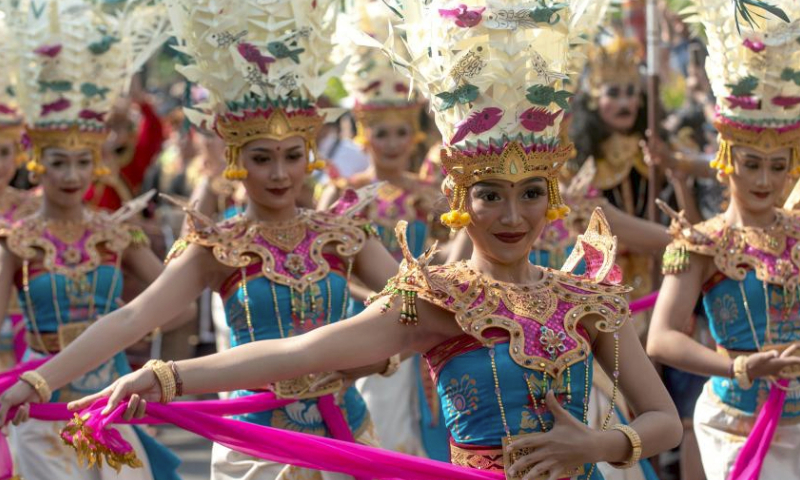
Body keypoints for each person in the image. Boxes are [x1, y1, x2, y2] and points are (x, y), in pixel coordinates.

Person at [67, 1, 682, 478]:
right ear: (459, 201)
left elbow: (664, 421)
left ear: (552, 198)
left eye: (529, 194)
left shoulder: (588, 299)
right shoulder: (436, 301)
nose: (513, 216)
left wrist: (598, 444)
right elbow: (298, 352)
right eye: (490, 195)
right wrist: (164, 376)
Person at [0, 1, 400, 479]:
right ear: (235, 158)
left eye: (292, 156)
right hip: (257, 451)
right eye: (261, 158)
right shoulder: (218, 247)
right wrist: (36, 381)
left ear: (309, 156)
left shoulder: (343, 235)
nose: (279, 173)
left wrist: (381, 357)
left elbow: (415, 305)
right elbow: (133, 317)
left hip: (348, 438)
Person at [0, 1, 182, 479]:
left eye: (83, 162)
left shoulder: (116, 232)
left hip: (110, 399)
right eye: (59, 162)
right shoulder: (17, 240)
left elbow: (177, 305)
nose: (72, 176)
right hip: (38, 404)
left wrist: (131, 328)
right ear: (37, 163)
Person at [646, 2, 800, 479]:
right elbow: (661, 338)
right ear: (727, 159)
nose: (764, 180)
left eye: (777, 166)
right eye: (751, 164)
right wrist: (740, 367)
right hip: (736, 425)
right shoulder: (702, 243)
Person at [316, 0, 450, 460]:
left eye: (400, 132)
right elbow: (324, 261)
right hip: (365, 321)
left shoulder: (431, 194)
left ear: (414, 134)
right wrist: (372, 298)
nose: (392, 143)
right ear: (364, 133)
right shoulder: (342, 194)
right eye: (382, 132)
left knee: (433, 431)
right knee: (379, 427)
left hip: (427, 321)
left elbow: (450, 253)